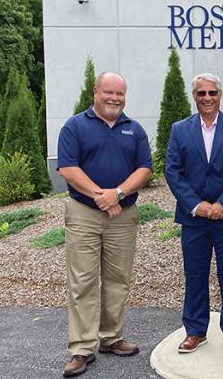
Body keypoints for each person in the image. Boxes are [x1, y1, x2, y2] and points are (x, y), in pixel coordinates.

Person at [57, 72, 153, 377]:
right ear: (96, 92)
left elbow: (145, 168)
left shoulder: (134, 130)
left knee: (118, 280)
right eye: (109, 92)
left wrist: (118, 194)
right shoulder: (75, 126)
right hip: (85, 212)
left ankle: (111, 338)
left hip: (123, 216)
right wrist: (102, 196)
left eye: (120, 94)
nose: (115, 99)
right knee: (83, 281)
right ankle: (82, 348)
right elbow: (67, 167)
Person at [165, 73, 223, 354]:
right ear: (194, 96)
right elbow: (173, 172)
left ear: (220, 95)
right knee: (195, 275)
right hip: (194, 219)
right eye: (201, 93)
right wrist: (197, 205)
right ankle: (195, 331)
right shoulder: (180, 129)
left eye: (212, 93)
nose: (207, 98)